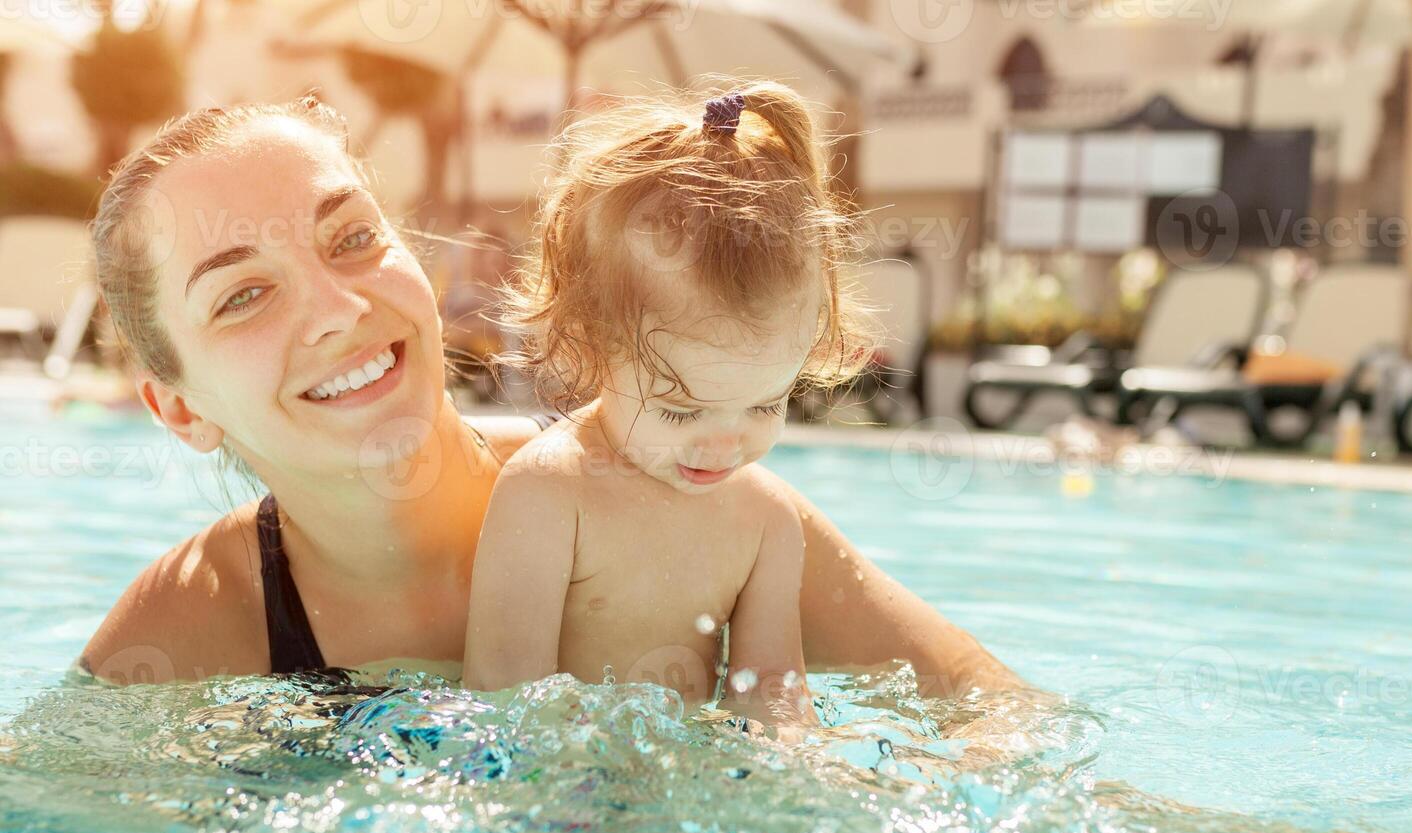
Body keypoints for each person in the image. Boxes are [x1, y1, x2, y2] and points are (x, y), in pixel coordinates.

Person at [77, 95, 1023, 698]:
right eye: (243, 293)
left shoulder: (674, 478)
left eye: (352, 238)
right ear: (180, 408)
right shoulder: (190, 623)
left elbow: (994, 716)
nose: (339, 309)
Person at [463, 85, 865, 724]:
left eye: (765, 405)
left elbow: (772, 702)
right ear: (590, 344)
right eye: (681, 410)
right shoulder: (550, 493)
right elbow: (504, 702)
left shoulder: (766, 520)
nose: (725, 443)